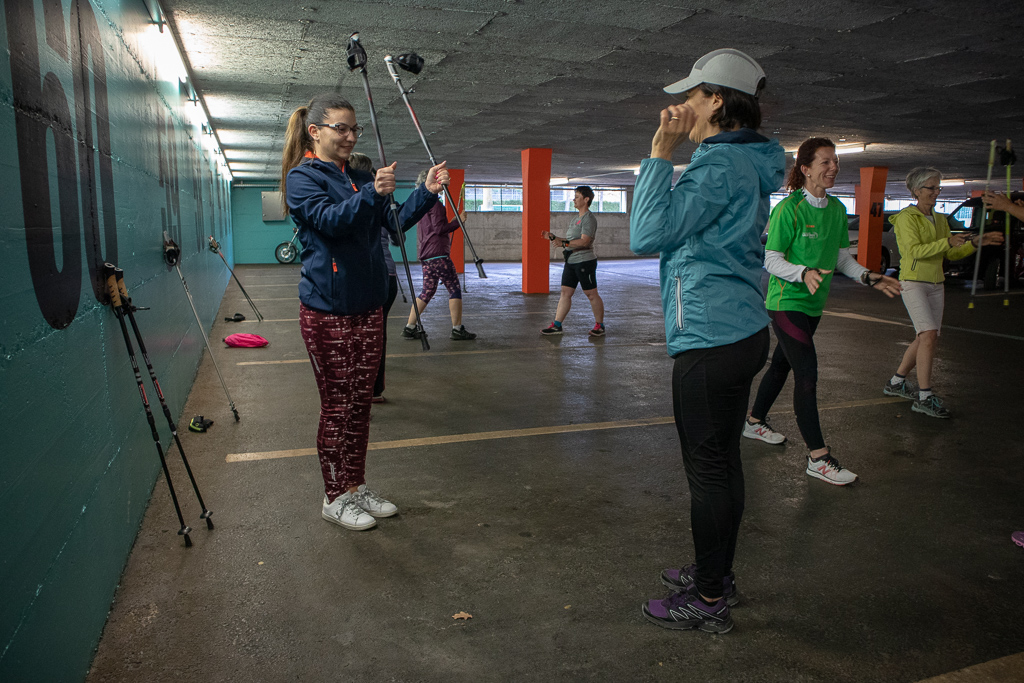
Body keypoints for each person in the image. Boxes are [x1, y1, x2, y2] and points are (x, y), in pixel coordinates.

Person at [629, 48, 786, 634]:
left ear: (718, 100)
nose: (682, 106)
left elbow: (648, 233)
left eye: (693, 96)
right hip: (738, 328)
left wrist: (658, 157)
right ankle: (716, 573)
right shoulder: (742, 164)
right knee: (723, 464)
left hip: (709, 336)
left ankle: (710, 598)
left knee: (708, 472)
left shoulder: (716, 166)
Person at [281, 94, 449, 531]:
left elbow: (392, 226)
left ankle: (354, 486)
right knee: (338, 406)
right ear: (315, 131)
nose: (351, 136)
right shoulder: (302, 179)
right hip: (329, 310)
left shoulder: (355, 176)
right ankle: (334, 495)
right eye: (341, 128)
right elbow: (332, 221)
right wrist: (371, 194)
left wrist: (425, 193)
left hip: (369, 306)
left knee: (360, 405)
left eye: (354, 129)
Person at [742, 138, 902, 486]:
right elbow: (771, 259)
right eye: (826, 162)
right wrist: (803, 272)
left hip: (815, 303)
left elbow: (841, 256)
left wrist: (868, 276)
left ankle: (754, 421)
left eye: (835, 162)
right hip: (786, 301)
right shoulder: (789, 209)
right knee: (807, 373)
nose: (833, 168)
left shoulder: (835, 210)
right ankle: (818, 457)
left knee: (782, 363)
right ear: (805, 169)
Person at [884, 168, 1002, 418]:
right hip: (913, 281)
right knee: (927, 334)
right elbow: (914, 251)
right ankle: (924, 396)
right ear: (917, 191)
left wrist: (973, 243)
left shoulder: (939, 219)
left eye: (938, 188)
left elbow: (950, 254)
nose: (937, 192)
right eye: (932, 188)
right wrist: (947, 242)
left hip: (936, 283)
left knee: (927, 336)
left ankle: (896, 382)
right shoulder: (907, 218)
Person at [347, 152, 398, 403]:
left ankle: (362, 390)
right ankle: (373, 389)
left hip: (371, 275)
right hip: (387, 275)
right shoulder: (380, 199)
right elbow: (399, 237)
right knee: (377, 335)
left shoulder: (355, 199)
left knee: (359, 337)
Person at [401, 170, 476, 341]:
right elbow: (439, 229)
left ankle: (410, 327)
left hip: (427, 255)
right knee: (454, 289)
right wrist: (459, 221)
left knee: (427, 291)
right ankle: (457, 329)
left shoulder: (421, 204)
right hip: (438, 255)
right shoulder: (435, 204)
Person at [540, 186, 605, 337]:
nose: (574, 199)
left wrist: (564, 244)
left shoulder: (588, 219)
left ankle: (600, 325)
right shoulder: (576, 219)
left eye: (577, 197)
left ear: (586, 199)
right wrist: (553, 237)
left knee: (591, 294)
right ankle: (557, 325)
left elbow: (584, 242)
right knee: (565, 292)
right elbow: (569, 240)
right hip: (571, 261)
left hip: (584, 261)